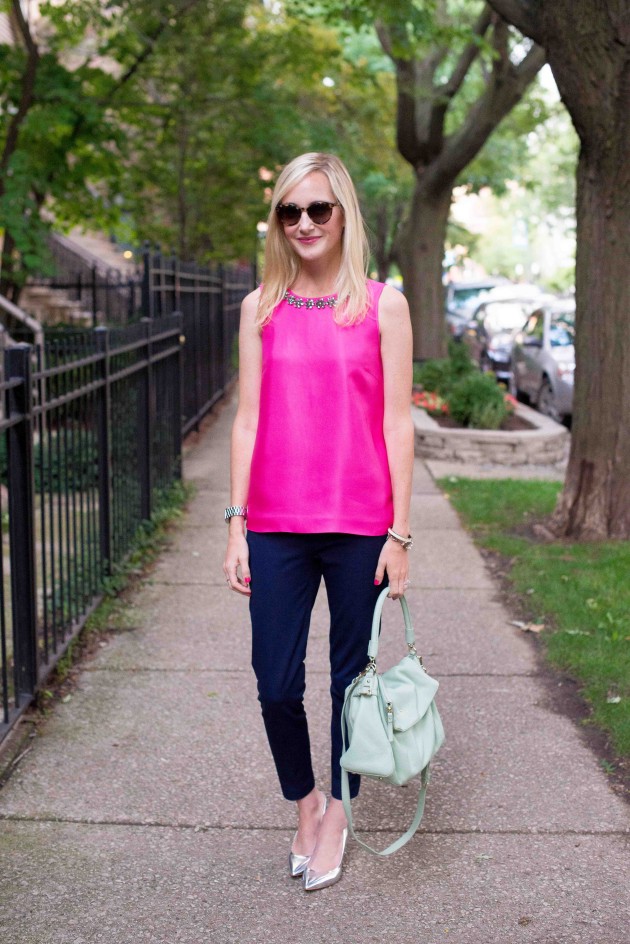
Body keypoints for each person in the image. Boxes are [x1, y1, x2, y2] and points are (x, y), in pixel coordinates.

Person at [223, 152, 414, 891]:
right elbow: (246, 423)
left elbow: (399, 425)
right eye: (289, 212)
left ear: (343, 216)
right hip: (273, 524)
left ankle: (339, 810)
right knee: (274, 683)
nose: (303, 224)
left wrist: (401, 534)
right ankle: (303, 802)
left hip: (361, 524)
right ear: (277, 221)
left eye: (319, 210)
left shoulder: (381, 305)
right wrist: (235, 525)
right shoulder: (260, 308)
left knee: (348, 683)